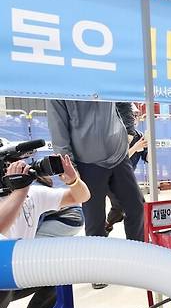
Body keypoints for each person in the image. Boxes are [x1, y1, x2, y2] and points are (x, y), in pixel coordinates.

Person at [0, 155, 90, 308]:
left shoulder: (32, 194)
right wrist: (20, 191)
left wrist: (73, 180)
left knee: (60, 267)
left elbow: (81, 197)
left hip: (18, 274)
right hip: (3, 276)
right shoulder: (23, 193)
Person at [47, 100, 145, 242]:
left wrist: (128, 131)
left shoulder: (106, 78)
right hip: (87, 162)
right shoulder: (59, 88)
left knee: (137, 207)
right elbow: (58, 128)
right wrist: (71, 167)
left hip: (118, 155)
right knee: (95, 221)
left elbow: (123, 100)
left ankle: (138, 252)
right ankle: (98, 260)